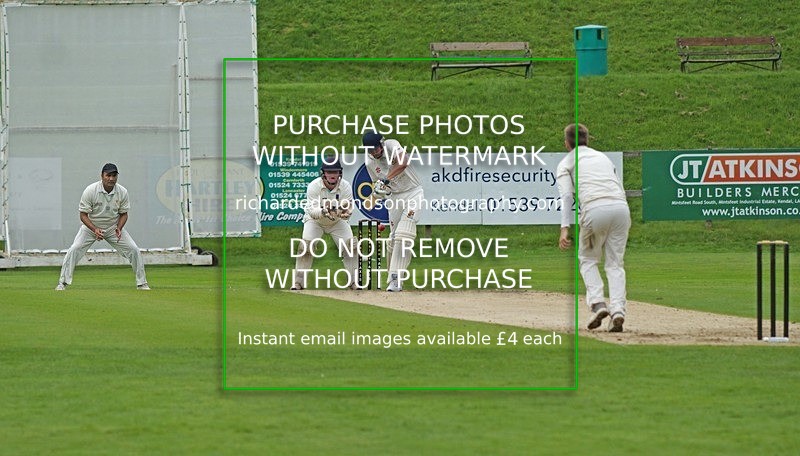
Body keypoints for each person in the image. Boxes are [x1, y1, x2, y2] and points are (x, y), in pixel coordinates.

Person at [556, 124, 630, 332]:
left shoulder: (565, 163)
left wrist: (564, 228)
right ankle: (618, 311)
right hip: (621, 209)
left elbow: (567, 196)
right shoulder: (603, 158)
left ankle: (598, 304)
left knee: (588, 260)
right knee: (615, 263)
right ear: (588, 140)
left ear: (566, 143)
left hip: (595, 210)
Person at [56, 163, 149, 290]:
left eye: (114, 175)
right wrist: (95, 229)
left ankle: (142, 283)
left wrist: (119, 228)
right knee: (74, 249)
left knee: (134, 250)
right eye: (108, 175)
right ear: (102, 176)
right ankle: (62, 283)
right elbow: (83, 215)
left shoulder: (122, 192)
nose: (111, 179)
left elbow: (124, 214)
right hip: (90, 227)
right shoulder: (91, 190)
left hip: (112, 228)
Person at [361, 131, 424, 292]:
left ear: (381, 144)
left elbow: (403, 162)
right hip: (395, 197)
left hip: (413, 192)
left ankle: (396, 279)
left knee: (405, 234)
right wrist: (380, 190)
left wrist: (386, 179)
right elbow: (379, 184)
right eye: (371, 150)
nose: (375, 152)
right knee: (394, 238)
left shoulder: (391, 145)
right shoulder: (369, 162)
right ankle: (392, 277)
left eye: (376, 148)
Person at [292, 157, 357, 290]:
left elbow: (349, 207)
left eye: (335, 172)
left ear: (340, 173)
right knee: (306, 247)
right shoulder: (314, 186)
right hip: (315, 221)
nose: (332, 175)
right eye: (329, 172)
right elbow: (312, 211)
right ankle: (298, 282)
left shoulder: (345, 186)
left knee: (351, 246)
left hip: (337, 222)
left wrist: (345, 213)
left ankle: (354, 282)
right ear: (323, 173)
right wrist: (324, 211)